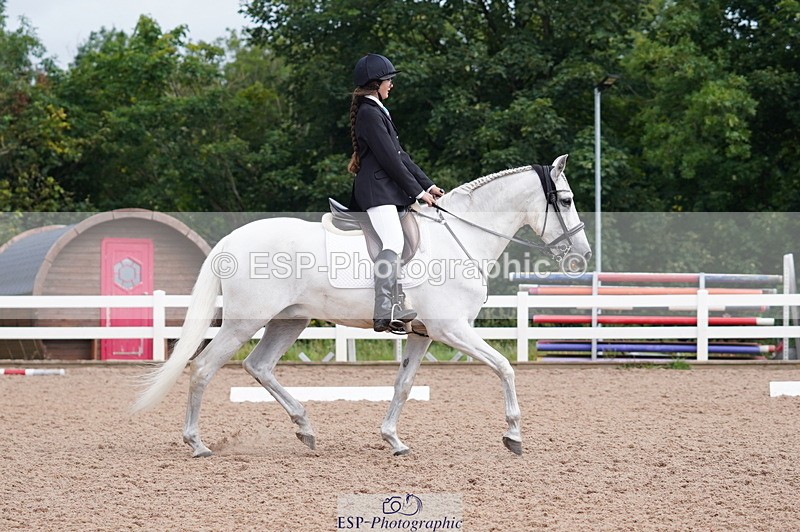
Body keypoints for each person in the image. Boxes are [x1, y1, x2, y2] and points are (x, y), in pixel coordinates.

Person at [347, 53, 445, 332]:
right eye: (389, 80)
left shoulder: (376, 109)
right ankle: (384, 308)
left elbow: (402, 156)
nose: (391, 84)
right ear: (376, 82)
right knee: (393, 241)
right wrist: (416, 193)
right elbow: (390, 159)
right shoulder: (369, 112)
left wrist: (427, 185)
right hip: (376, 191)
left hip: (385, 190)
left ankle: (398, 302)